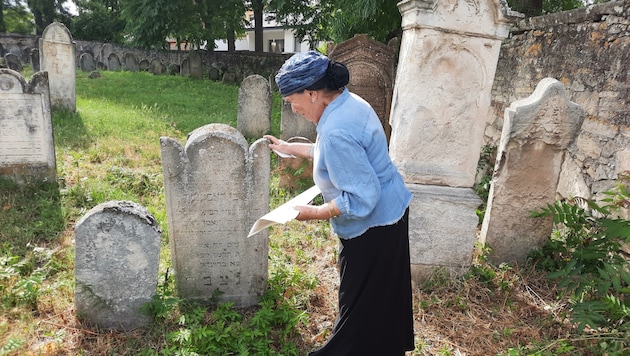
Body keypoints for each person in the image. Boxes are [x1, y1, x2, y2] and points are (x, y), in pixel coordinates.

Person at [264, 50, 414, 356]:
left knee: (358, 311)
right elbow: (349, 153)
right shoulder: (348, 102)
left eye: (293, 101)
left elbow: (362, 197)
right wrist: (298, 150)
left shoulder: (335, 131)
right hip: (392, 212)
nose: (293, 109)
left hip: (372, 229)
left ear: (313, 93)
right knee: (383, 300)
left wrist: (316, 212)